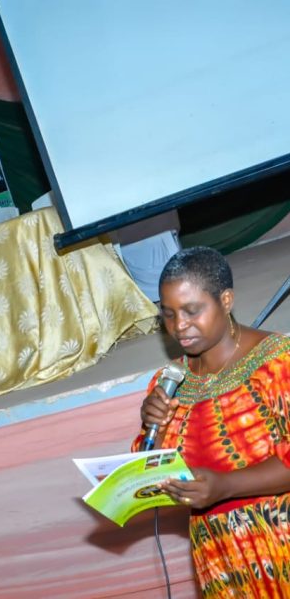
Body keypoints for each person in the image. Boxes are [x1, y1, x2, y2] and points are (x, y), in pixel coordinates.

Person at [137, 246, 290, 597]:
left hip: (281, 540)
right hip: (218, 557)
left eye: (192, 311)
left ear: (226, 300)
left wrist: (225, 486)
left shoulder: (278, 363)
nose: (179, 326)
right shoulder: (170, 382)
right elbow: (154, 474)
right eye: (168, 315)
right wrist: (152, 429)